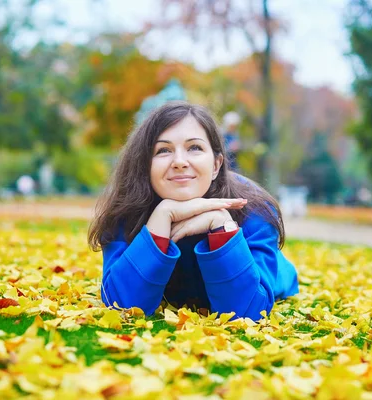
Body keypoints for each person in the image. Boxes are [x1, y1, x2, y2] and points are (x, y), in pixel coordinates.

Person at [88, 101, 298, 320]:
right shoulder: (126, 208)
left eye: (194, 148)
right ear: (145, 165)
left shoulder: (254, 209)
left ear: (216, 165)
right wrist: (161, 218)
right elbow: (120, 303)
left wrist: (221, 226)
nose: (179, 161)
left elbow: (248, 312)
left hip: (275, 276)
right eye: (163, 150)